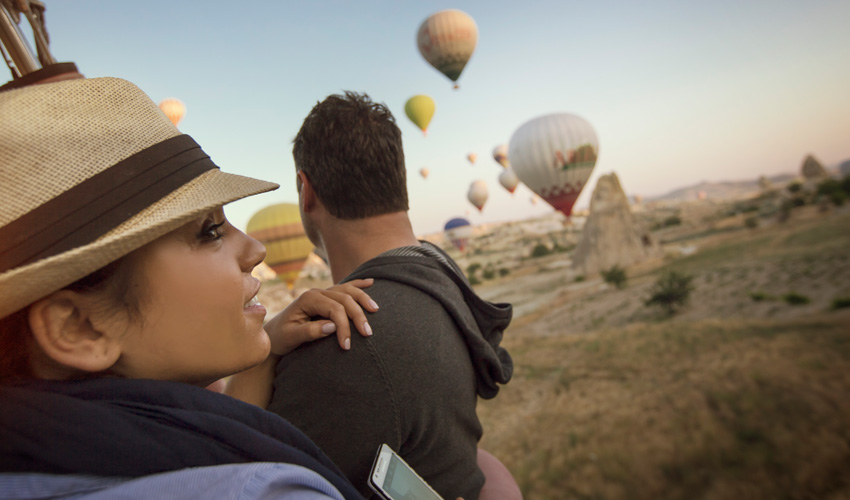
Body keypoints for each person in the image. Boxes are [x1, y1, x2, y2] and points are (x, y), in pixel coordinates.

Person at [0, 77, 378, 499]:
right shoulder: (265, 490)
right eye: (210, 231)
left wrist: (262, 354)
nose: (256, 248)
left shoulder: (38, 453)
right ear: (79, 328)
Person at [264, 91, 514, 500]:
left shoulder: (342, 340)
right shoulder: (439, 276)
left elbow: (246, 481)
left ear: (306, 191)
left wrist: (263, 356)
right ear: (398, 179)